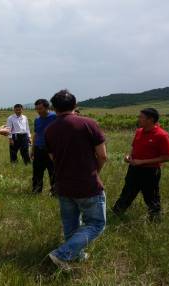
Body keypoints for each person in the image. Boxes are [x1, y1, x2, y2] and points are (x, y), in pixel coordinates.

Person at [45, 89, 108, 271]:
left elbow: (53, 158)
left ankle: (76, 254)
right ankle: (61, 254)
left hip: (64, 184)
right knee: (96, 224)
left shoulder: (50, 130)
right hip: (87, 184)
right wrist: (95, 172)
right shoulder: (88, 123)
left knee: (71, 224)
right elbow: (102, 156)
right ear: (75, 105)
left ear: (53, 108)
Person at [112, 108, 169, 222]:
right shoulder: (139, 131)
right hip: (134, 169)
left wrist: (142, 162)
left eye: (141, 117)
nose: (138, 119)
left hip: (150, 172)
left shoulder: (162, 135)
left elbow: (166, 157)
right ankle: (115, 215)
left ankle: (155, 220)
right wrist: (129, 157)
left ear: (151, 119)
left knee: (151, 197)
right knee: (127, 193)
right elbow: (134, 148)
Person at [31, 99, 57, 194]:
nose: (38, 111)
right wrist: (33, 149)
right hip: (38, 149)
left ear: (47, 107)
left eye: (40, 108)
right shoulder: (37, 120)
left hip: (52, 150)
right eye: (36, 109)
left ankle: (55, 192)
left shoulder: (55, 117)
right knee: (37, 171)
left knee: (53, 171)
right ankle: (36, 190)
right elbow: (36, 134)